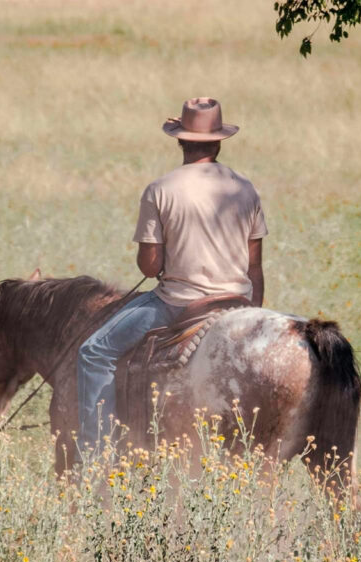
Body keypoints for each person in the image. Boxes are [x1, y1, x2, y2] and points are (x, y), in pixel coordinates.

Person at [76, 96, 268, 453]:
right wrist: (251, 312)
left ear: (179, 140)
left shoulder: (161, 189)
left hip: (178, 304)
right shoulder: (244, 188)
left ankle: (96, 456)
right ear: (219, 141)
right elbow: (255, 267)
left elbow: (149, 268)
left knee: (94, 354)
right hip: (237, 303)